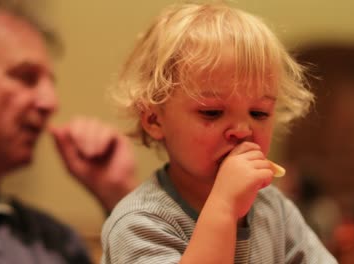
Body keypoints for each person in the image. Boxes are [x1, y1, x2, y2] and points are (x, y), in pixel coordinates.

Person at [101, 2, 338, 263]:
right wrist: (224, 206)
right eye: (212, 112)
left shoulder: (274, 209)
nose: (242, 130)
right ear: (155, 119)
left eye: (258, 113)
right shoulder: (139, 223)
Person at [0, 0, 136, 263]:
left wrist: (118, 195)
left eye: (49, 84)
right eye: (25, 77)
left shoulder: (57, 243)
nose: (51, 102)